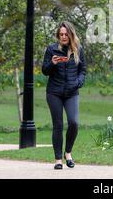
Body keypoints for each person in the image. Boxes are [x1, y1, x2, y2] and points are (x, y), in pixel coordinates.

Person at [42, 21, 87, 170]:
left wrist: (78, 82)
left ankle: (68, 152)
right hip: (54, 92)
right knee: (58, 125)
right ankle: (58, 160)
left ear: (70, 34)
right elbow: (45, 71)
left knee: (73, 122)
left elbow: (83, 70)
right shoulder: (51, 49)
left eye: (65, 34)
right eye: (60, 34)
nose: (63, 36)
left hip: (72, 92)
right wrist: (52, 63)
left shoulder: (78, 49)